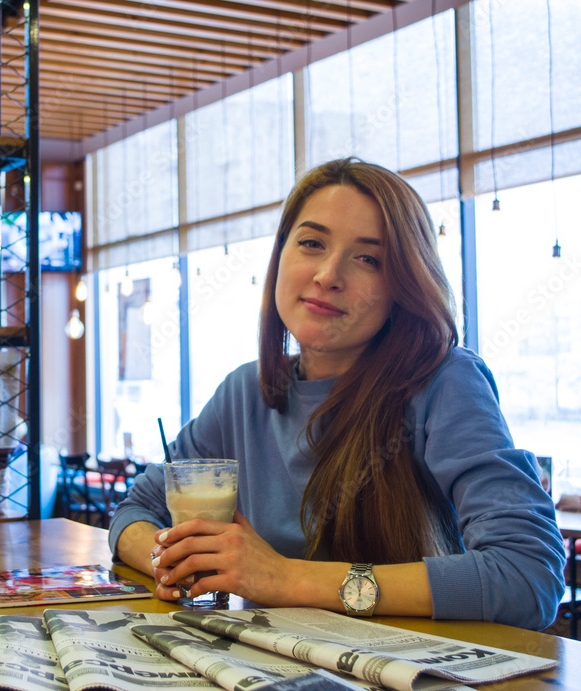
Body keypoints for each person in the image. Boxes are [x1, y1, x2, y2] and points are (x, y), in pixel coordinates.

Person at [108, 157, 566, 631]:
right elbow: (134, 513)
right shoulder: (243, 393)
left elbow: (527, 576)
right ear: (281, 254)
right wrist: (178, 562)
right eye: (311, 243)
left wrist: (284, 579)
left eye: (368, 258)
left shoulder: (444, 381)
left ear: (402, 287)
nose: (328, 274)